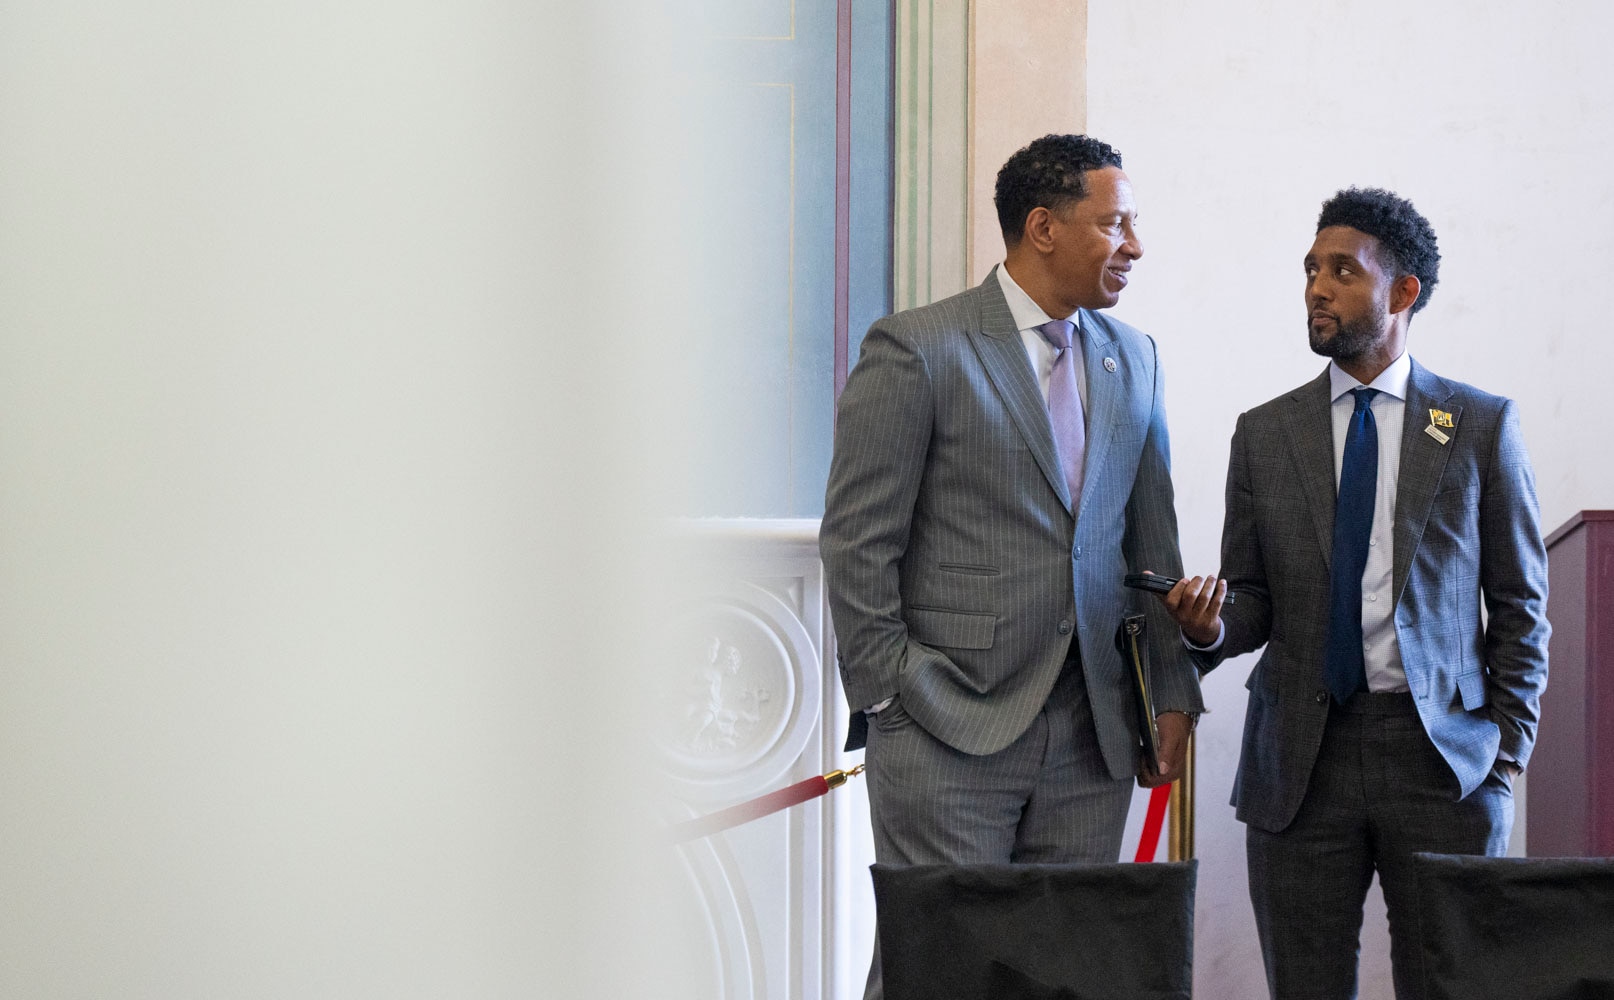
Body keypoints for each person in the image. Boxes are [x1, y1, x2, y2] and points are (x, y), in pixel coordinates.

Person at [819, 134, 1204, 999]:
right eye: (1115, 224)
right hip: (946, 724)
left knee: (1065, 972)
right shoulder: (919, 348)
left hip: (1092, 730)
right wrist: (889, 693)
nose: (1135, 246)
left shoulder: (1133, 356)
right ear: (1043, 228)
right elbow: (857, 540)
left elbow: (1154, 545)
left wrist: (1171, 693)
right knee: (939, 969)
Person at [1161, 187, 1550, 1000]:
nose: (1317, 287)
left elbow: (1520, 604)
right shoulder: (1266, 434)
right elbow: (1254, 600)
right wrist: (1208, 629)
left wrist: (1506, 752)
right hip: (1302, 762)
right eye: (1310, 269)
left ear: (1403, 292)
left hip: (1444, 759)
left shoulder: (1479, 426)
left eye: (1343, 270)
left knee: (1454, 984)